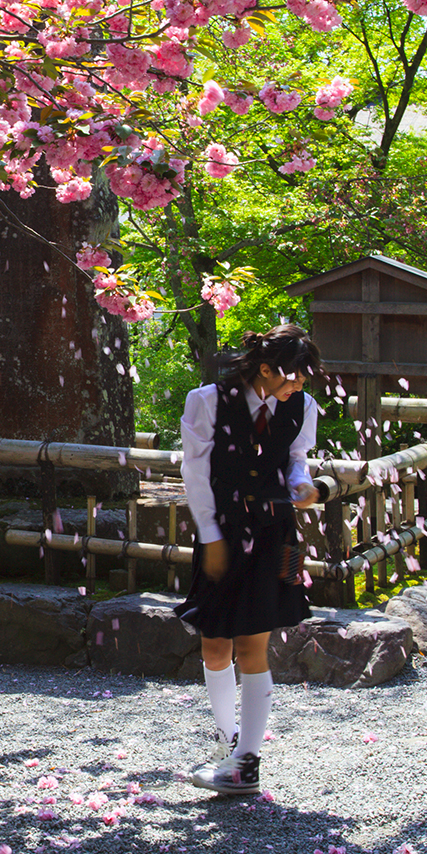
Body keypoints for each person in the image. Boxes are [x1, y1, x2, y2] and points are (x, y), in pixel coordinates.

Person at [174, 325, 324, 795]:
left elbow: (297, 458)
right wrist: (211, 535)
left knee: (254, 646)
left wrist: (302, 485)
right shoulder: (207, 401)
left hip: (276, 535)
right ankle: (228, 743)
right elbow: (195, 473)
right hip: (219, 531)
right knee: (215, 645)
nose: (300, 385)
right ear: (265, 369)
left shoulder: (303, 407)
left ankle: (248, 762)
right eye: (295, 376)